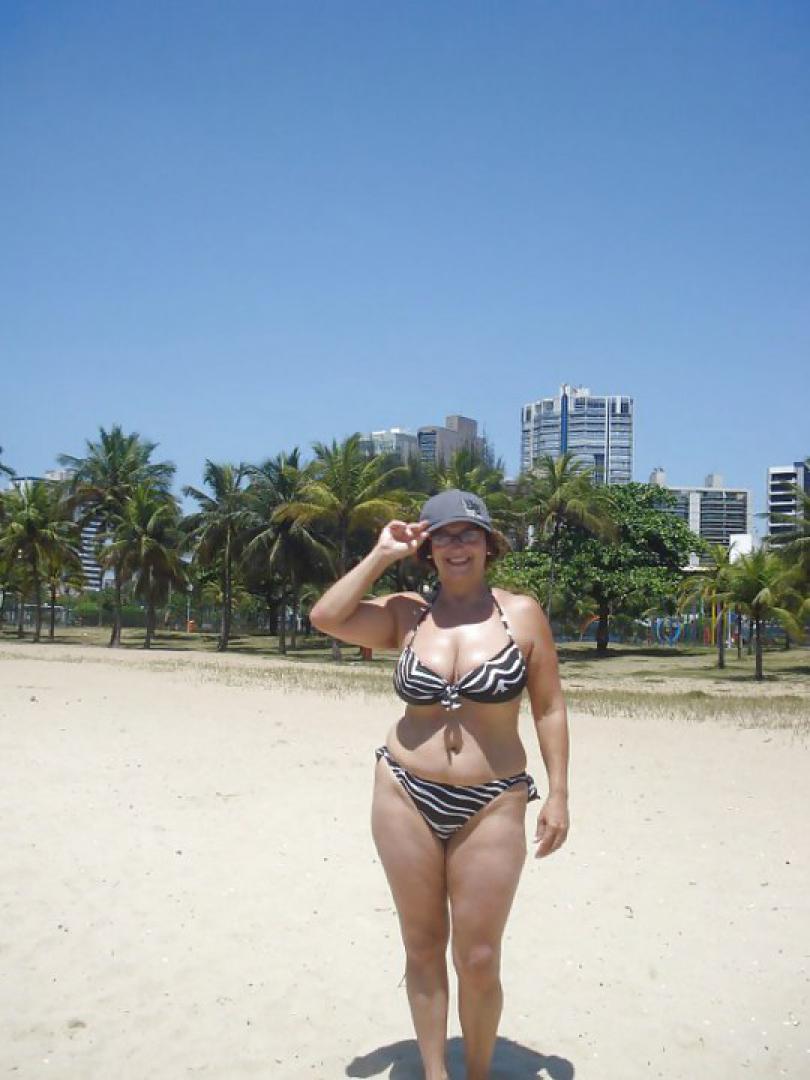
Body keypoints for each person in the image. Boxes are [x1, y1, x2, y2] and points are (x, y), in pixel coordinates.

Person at [310, 489, 570, 1080]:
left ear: (488, 544)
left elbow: (549, 707)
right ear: (426, 549)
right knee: (422, 946)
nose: (457, 546)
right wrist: (381, 554)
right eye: (443, 536)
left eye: (468, 534)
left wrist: (558, 794)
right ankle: (435, 1072)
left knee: (478, 956)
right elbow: (326, 617)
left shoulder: (522, 614)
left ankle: (476, 1072)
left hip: (493, 799)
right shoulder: (407, 614)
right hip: (404, 791)